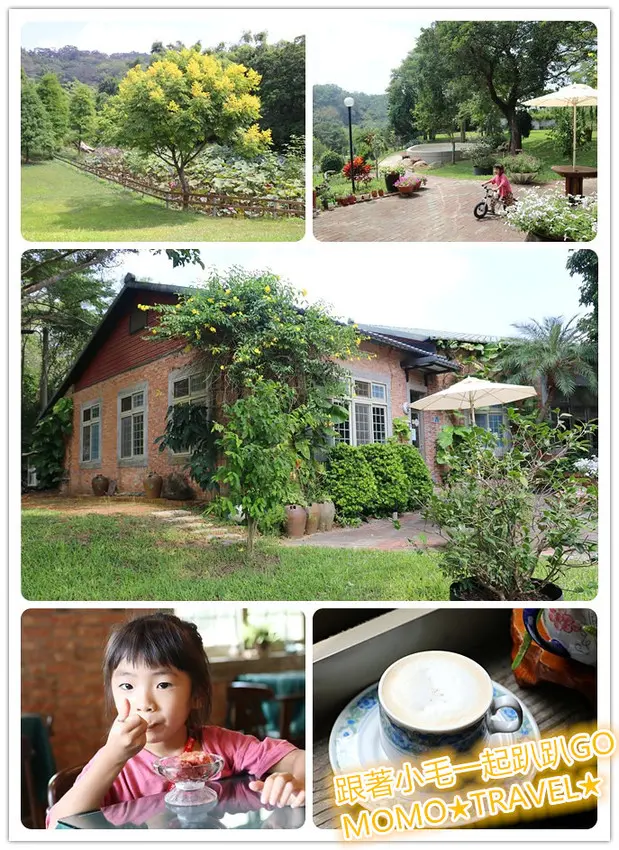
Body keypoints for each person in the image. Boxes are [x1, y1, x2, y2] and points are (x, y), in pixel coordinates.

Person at [47, 614, 305, 827]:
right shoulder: (115, 764)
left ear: (197, 696)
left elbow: (298, 759)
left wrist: (294, 781)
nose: (144, 703)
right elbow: (56, 825)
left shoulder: (221, 746)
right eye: (127, 685)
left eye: (163, 684)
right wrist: (112, 756)